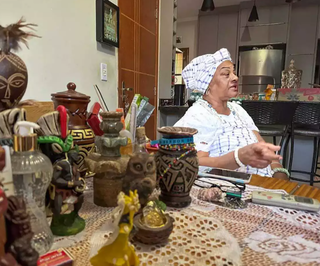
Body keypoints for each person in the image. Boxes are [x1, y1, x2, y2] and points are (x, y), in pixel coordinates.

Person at [174, 48, 289, 180]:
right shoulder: (199, 114)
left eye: (233, 72)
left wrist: (278, 170)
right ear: (208, 84)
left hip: (263, 182)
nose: (235, 77)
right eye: (226, 74)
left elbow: (262, 146)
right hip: (232, 186)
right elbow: (197, 162)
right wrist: (238, 158)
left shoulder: (238, 110)